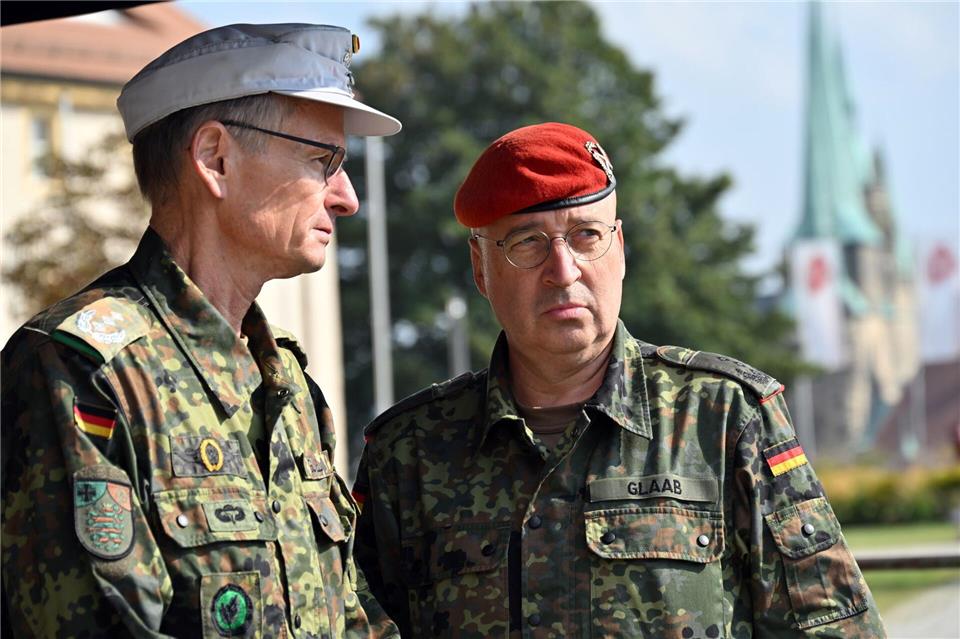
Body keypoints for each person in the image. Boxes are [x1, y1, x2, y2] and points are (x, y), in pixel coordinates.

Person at [352, 122, 887, 638]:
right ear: (480, 268)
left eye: (586, 236)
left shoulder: (726, 418)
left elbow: (834, 630)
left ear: (620, 248)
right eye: (527, 243)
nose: (564, 270)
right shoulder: (409, 454)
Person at [2, 23, 400, 638]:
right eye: (323, 160)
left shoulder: (285, 378)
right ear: (215, 158)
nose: (346, 197)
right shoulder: (81, 369)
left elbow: (352, 615)